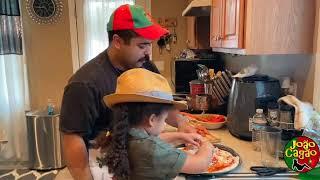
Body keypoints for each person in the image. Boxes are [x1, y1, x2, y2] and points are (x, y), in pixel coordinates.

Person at [59, 4, 195, 180]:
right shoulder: (84, 84)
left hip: (135, 165)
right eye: (142, 46)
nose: (148, 53)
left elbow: (160, 105)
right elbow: (73, 140)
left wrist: (181, 122)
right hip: (103, 169)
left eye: (149, 45)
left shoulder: (145, 66)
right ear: (117, 41)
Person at [97, 68, 214, 180]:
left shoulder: (120, 136)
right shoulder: (154, 152)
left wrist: (180, 136)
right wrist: (207, 145)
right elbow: (200, 164)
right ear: (152, 120)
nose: (164, 124)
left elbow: (150, 141)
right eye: (164, 119)